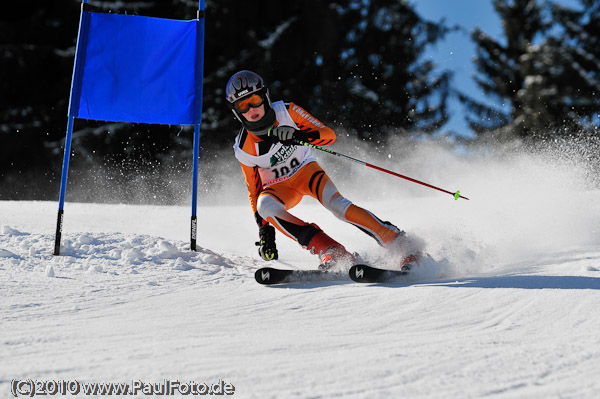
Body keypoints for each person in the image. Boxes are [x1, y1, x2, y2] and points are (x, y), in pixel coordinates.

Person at [225, 70, 422, 269]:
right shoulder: (243, 147)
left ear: (265, 97)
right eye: (243, 105)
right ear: (236, 111)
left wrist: (300, 134)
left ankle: (401, 243)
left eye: (255, 99)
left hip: (306, 172)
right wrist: (264, 231)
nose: (251, 108)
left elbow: (328, 135)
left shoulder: (287, 111)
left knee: (338, 206)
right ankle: (331, 251)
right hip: (279, 187)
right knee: (264, 205)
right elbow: (254, 189)